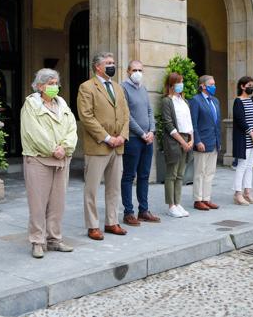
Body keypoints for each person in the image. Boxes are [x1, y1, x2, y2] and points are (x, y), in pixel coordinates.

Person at [20, 68, 78, 258]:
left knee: (57, 203)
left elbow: (72, 129)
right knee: (38, 204)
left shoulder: (62, 104)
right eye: (50, 84)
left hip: (61, 160)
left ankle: (55, 239)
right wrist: (54, 149)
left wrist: (65, 147)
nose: (54, 87)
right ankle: (37, 241)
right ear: (39, 86)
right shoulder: (31, 105)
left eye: (55, 83)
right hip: (39, 159)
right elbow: (33, 132)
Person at [77, 52, 130, 241]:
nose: (112, 66)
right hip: (98, 146)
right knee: (92, 188)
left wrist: (122, 136)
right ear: (98, 67)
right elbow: (86, 116)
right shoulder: (87, 87)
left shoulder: (118, 87)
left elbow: (125, 114)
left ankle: (111, 221)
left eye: (113, 62)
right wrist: (107, 137)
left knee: (114, 187)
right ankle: (92, 225)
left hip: (118, 146)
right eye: (108, 63)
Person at [120, 61, 160, 226]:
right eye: (134, 70)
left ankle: (143, 210)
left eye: (140, 70)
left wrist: (151, 130)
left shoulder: (143, 88)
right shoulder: (123, 88)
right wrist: (142, 133)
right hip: (134, 139)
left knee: (144, 175)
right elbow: (126, 115)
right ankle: (128, 212)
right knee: (129, 176)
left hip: (148, 139)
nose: (137, 72)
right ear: (128, 71)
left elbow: (150, 111)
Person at [161, 72, 194, 218]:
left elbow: (189, 122)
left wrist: (191, 139)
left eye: (182, 82)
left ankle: (178, 202)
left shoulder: (184, 101)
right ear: (171, 84)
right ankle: (171, 205)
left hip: (187, 137)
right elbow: (168, 124)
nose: (181, 85)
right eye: (178, 82)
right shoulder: (167, 101)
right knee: (171, 174)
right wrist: (182, 141)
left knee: (180, 174)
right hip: (174, 139)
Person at [189, 75, 221, 211]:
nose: (214, 86)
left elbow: (217, 123)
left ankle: (206, 198)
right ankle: (198, 199)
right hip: (202, 142)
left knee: (210, 172)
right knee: (199, 172)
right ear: (202, 86)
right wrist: (198, 141)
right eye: (211, 84)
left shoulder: (215, 101)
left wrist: (219, 141)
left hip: (214, 141)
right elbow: (193, 123)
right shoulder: (196, 101)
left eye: (214, 84)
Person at [232, 76, 253, 205]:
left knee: (250, 166)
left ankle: (247, 192)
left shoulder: (252, 101)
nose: (251, 87)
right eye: (249, 85)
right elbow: (241, 121)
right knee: (242, 166)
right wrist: (252, 134)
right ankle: (237, 193)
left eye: (252, 85)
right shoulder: (238, 101)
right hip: (245, 138)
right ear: (242, 86)